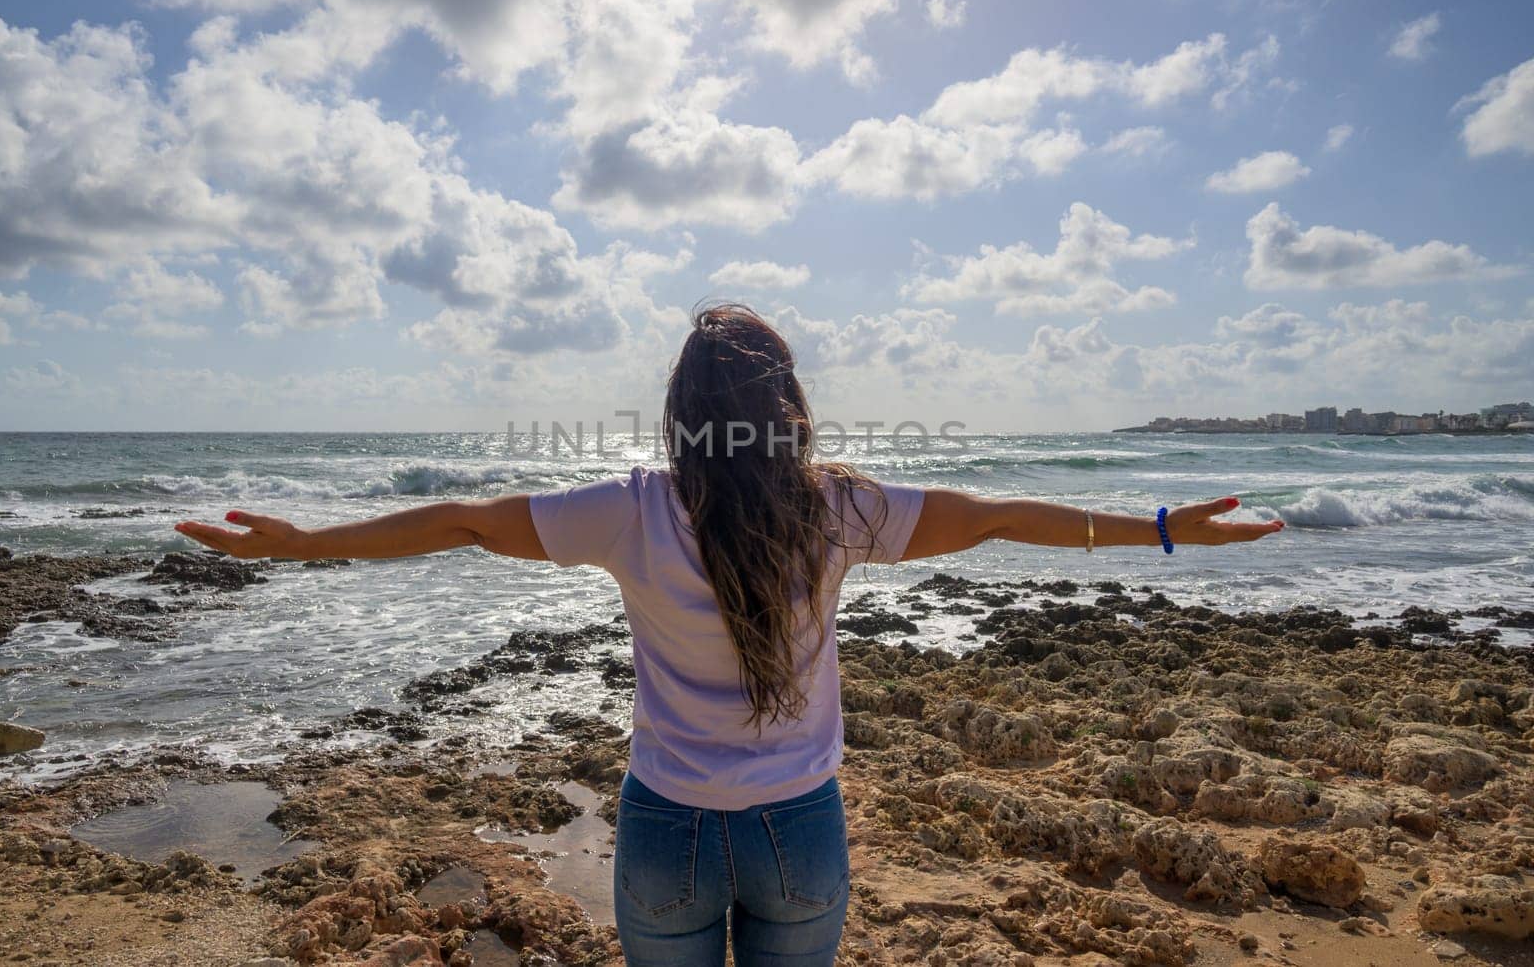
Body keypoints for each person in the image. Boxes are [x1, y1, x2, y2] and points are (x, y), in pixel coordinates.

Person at [175, 303, 1283, 967]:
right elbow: (994, 513)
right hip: (799, 830)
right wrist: (1157, 529)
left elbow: (465, 519)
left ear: (678, 411)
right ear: (788, 402)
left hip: (666, 833)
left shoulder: (629, 508)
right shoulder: (839, 506)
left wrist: (304, 544)